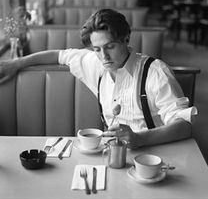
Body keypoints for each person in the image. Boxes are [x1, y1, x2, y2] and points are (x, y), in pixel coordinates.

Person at [0, 9, 197, 148]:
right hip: (111, 154)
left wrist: (139, 139)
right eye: (97, 49)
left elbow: (184, 126)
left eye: (110, 46)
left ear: (126, 39)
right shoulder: (94, 62)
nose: (104, 57)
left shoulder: (156, 73)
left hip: (155, 156)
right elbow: (58, 55)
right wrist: (16, 64)